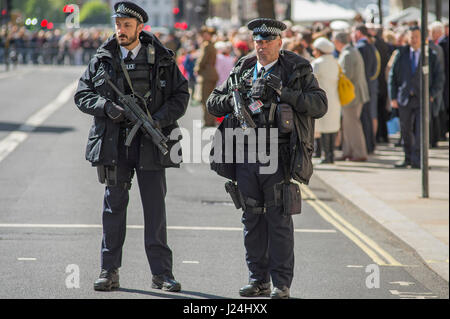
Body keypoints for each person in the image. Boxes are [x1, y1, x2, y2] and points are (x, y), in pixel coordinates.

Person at [207, 18, 327, 299]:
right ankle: (257, 279)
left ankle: (281, 283)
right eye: (257, 42)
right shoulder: (243, 68)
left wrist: (283, 92)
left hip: (279, 154)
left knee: (278, 219)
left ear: (279, 43)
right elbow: (214, 102)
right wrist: (240, 95)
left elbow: (319, 104)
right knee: (252, 219)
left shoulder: (296, 68)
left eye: (267, 41)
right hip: (246, 154)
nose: (261, 47)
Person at [74, 1, 189, 292]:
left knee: (155, 211)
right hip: (114, 144)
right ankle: (109, 271)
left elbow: (180, 95)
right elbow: (82, 94)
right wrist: (105, 107)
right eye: (118, 24)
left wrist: (159, 120)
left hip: (150, 143)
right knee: (113, 209)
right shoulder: (102, 58)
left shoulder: (162, 58)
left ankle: (162, 274)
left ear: (140, 27)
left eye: (127, 25)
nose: (121, 30)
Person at [388, 26, 444, 168]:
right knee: (405, 130)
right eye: (411, 37)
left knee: (421, 130)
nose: (413, 40)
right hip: (405, 98)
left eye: (416, 37)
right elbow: (392, 76)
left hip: (422, 99)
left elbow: (439, 77)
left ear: (423, 38)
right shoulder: (401, 53)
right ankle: (408, 158)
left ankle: (418, 160)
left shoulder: (430, 55)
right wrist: (393, 97)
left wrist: (432, 94)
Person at [333, 31, 369, 161]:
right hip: (355, 94)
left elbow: (346, 76)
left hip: (352, 95)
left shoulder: (348, 54)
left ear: (338, 42)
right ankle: (348, 151)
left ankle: (359, 153)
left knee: (352, 124)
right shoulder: (351, 51)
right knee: (348, 124)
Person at [311, 37, 341, 164]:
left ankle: (325, 155)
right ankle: (331, 154)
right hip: (334, 97)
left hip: (322, 98)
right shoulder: (334, 61)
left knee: (323, 127)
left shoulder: (317, 63)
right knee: (332, 127)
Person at [352, 23, 380, 154]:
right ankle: (370, 145)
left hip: (362, 87)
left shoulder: (360, 47)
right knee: (367, 117)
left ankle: (367, 146)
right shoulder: (370, 46)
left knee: (364, 118)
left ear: (358, 33)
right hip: (369, 84)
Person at [194, 26, 219, 127]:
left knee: (205, 99)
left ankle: (208, 122)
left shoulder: (206, 45)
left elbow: (202, 60)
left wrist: (197, 69)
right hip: (212, 74)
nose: (203, 36)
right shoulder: (212, 45)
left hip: (206, 75)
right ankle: (211, 120)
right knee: (210, 99)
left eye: (205, 34)